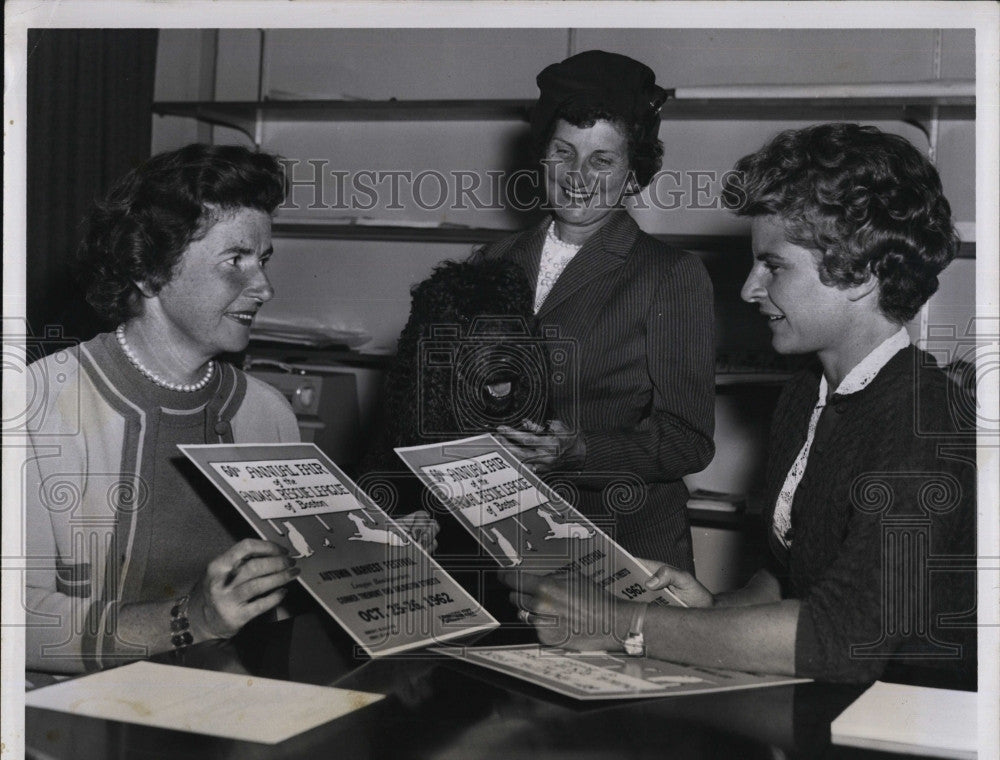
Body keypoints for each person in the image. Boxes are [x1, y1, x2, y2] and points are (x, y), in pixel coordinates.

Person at [505, 123, 977, 688]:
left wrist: (620, 621)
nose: (750, 289)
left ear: (861, 273)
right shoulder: (808, 391)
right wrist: (708, 608)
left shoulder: (923, 421)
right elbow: (786, 581)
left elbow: (843, 639)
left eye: (774, 266)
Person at [23, 144, 433, 675]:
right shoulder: (37, 405)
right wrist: (189, 619)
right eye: (234, 260)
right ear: (149, 271)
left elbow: (288, 592)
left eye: (262, 260)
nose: (263, 287)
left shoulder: (267, 412)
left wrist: (375, 555)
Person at [488, 50, 715, 569]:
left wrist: (582, 451)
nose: (577, 175)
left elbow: (690, 440)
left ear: (634, 174)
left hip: (623, 546)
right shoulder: (492, 261)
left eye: (602, 160)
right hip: (510, 543)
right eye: (563, 153)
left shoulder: (669, 275)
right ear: (540, 157)